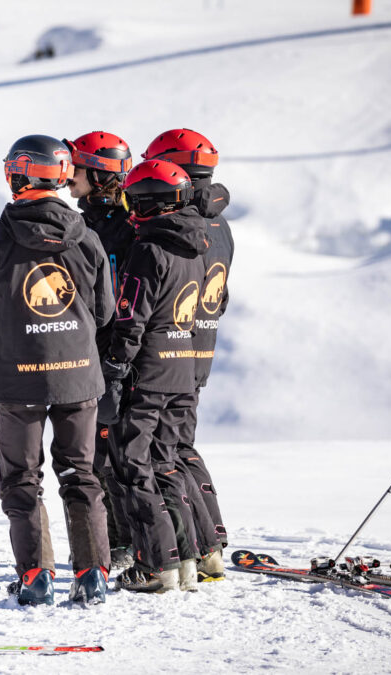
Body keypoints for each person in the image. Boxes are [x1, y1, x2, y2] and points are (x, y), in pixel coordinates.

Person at [0, 134, 115, 606]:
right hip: (79, 374)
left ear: (22, 174)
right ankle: (92, 574)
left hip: (18, 375)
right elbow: (106, 311)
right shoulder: (88, 237)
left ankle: (36, 575)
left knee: (21, 477)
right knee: (80, 473)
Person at [100, 159, 208, 593]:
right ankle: (186, 560)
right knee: (165, 465)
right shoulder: (195, 245)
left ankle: (157, 564)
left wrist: (115, 367)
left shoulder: (147, 249)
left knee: (131, 465)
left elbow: (132, 317)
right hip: (182, 366)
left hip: (146, 371)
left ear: (146, 202)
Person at [143, 128, 234, 581]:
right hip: (201, 351)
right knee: (182, 449)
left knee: (161, 456)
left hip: (171, 353)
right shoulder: (219, 226)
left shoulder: (182, 227)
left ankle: (191, 549)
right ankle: (210, 544)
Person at [64, 131, 136, 570]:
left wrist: (117, 358)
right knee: (95, 454)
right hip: (91, 355)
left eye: (76, 168)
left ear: (99, 172)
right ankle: (114, 544)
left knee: (111, 456)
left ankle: (127, 544)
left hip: (114, 359)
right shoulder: (86, 222)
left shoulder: (122, 228)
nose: (68, 176)